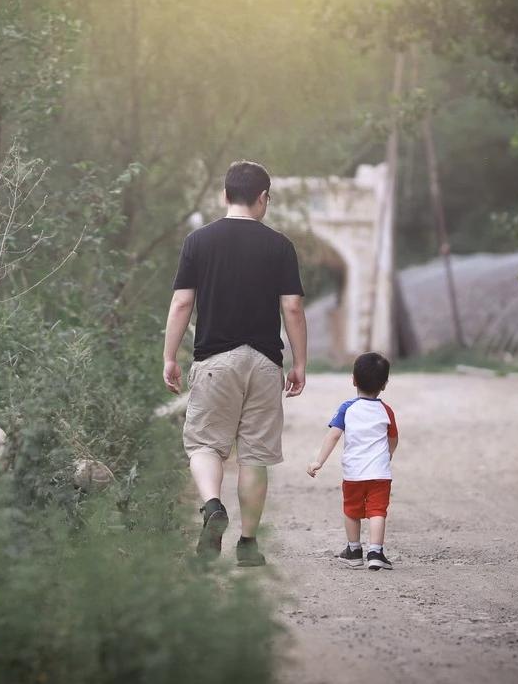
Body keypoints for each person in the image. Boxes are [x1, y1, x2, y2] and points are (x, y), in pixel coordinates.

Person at [162, 160, 308, 567]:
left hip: (214, 361)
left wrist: (169, 356)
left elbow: (181, 303)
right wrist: (299, 363)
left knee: (205, 444)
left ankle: (212, 506)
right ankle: (248, 545)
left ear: (224, 195)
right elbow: (292, 309)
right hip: (264, 363)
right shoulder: (280, 246)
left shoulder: (198, 242)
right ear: (263, 198)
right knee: (255, 456)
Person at [306, 352, 397, 571]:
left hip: (354, 473)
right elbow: (393, 438)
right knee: (377, 511)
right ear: (384, 385)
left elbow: (334, 435)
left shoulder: (347, 408)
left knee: (352, 510)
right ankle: (376, 552)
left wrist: (319, 461)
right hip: (379, 473)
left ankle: (354, 551)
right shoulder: (386, 411)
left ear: (354, 380)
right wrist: (388, 455)